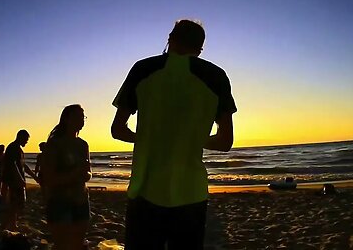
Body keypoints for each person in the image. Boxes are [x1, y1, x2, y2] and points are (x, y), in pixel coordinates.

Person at [111, 19, 237, 249]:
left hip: (145, 188)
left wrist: (150, 137)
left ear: (170, 39)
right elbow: (225, 141)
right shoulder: (216, 76)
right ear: (200, 48)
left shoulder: (143, 69)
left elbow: (117, 129)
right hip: (191, 191)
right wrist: (192, 139)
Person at [41, 104, 92, 250]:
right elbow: (50, 179)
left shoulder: (83, 145)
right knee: (62, 244)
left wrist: (85, 174)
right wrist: (75, 174)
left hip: (81, 199)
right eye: (78, 116)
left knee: (78, 243)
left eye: (83, 116)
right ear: (67, 119)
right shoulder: (55, 144)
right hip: (60, 201)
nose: (82, 119)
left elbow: (88, 173)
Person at [1, 129, 39, 231]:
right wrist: (20, 178)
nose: (27, 142)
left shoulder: (19, 150)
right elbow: (13, 165)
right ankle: (8, 224)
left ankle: (12, 223)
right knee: (15, 203)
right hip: (14, 181)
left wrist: (34, 177)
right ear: (21, 137)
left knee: (18, 203)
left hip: (17, 180)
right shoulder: (13, 148)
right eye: (26, 139)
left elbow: (23, 166)